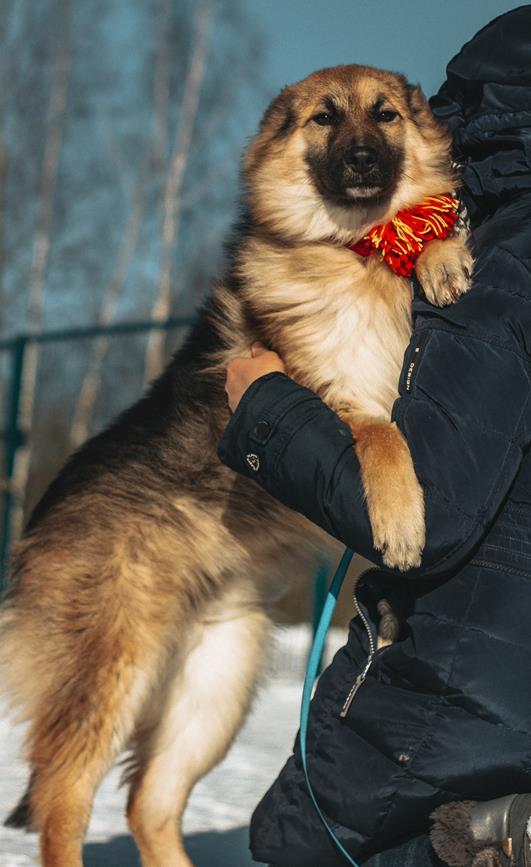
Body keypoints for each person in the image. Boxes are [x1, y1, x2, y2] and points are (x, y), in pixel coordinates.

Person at [218, 6, 531, 867]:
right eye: (330, 119)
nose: (358, 140)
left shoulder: (500, 261)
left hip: (462, 693)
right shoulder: (463, 245)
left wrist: (267, 412)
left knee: (298, 838)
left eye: (383, 115)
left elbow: (427, 517)